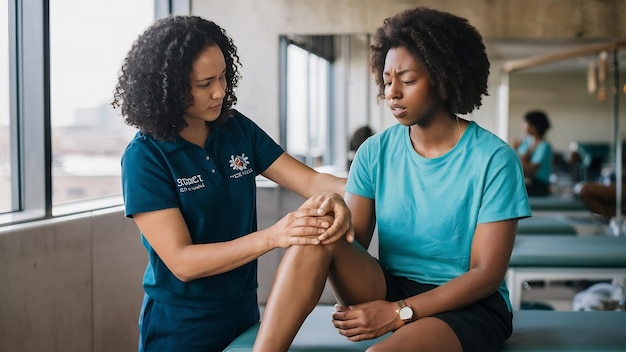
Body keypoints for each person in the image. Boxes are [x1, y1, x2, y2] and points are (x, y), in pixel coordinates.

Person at [252, 6, 531, 352]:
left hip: (467, 303)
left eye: (408, 81)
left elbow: (486, 274)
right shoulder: (374, 152)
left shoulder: (494, 159)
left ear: (444, 80)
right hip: (389, 285)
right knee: (322, 226)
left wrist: (399, 313)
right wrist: (335, 208)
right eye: (387, 81)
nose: (392, 93)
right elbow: (352, 240)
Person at [111, 15, 353, 352]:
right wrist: (274, 236)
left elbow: (311, 180)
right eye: (204, 83)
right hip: (181, 327)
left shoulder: (236, 128)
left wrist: (375, 188)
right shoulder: (145, 157)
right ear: (168, 89)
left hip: (243, 312)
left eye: (223, 76)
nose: (220, 91)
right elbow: (182, 262)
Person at [512, 110, 553, 196]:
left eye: (525, 122)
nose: (522, 125)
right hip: (529, 182)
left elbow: (529, 171)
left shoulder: (544, 146)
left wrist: (514, 150)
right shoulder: (527, 141)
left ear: (533, 126)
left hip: (539, 185)